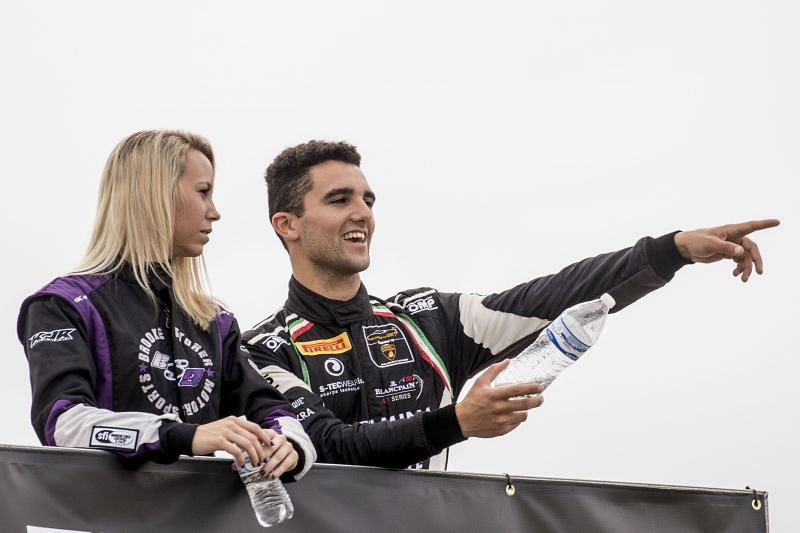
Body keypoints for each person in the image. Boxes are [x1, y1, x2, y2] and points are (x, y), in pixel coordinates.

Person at [242, 140, 779, 470]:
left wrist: (673, 249)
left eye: (367, 199)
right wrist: (458, 421)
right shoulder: (259, 352)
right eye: (339, 200)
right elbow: (326, 447)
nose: (362, 213)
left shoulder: (424, 320)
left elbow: (554, 298)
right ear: (286, 224)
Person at [17, 130, 315, 482]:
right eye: (203, 192)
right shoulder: (64, 304)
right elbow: (64, 424)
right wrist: (184, 435)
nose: (214, 212)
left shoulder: (213, 319)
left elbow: (272, 407)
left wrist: (290, 446)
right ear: (154, 194)